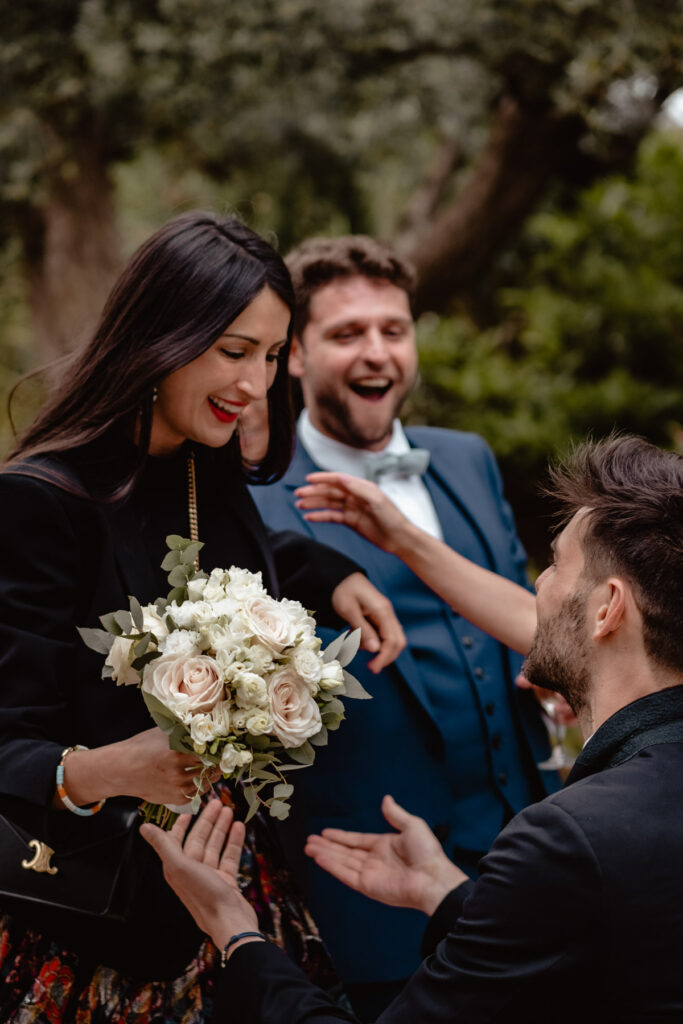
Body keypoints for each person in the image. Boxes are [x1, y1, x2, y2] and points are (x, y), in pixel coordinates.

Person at [0, 211, 405, 1023]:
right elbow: (7, 742)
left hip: (240, 900)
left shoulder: (202, 464)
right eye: (232, 351)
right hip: (90, 915)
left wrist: (333, 574)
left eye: (270, 354)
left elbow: (249, 554)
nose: (255, 386)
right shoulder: (37, 503)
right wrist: (109, 769)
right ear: (158, 337)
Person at [144, 434, 683, 1023]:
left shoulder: (567, 838)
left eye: (554, 563)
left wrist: (238, 935)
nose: (536, 585)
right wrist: (446, 893)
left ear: (607, 609)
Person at [248, 233, 558, 1016]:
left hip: (523, 857)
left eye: (393, 328)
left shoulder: (465, 458)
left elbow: (517, 612)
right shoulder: (249, 498)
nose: (375, 352)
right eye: (346, 334)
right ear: (292, 355)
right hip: (367, 886)